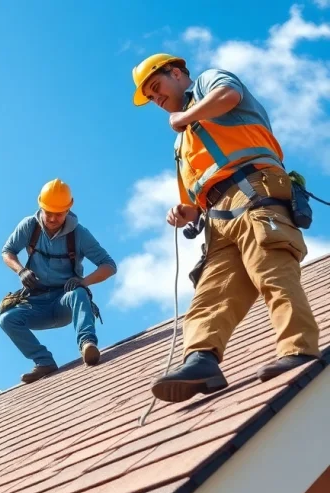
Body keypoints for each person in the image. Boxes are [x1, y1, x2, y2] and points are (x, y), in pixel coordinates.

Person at [131, 53, 321, 403]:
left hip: (254, 189)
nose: (156, 99)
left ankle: (300, 348)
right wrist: (184, 212)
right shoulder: (182, 141)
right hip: (218, 217)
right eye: (151, 96)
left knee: (271, 268)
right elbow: (193, 198)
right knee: (212, 291)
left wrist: (186, 116)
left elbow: (228, 96)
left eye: (157, 88)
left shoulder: (206, 84)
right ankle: (201, 360)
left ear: (177, 74)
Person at [0, 179, 118, 383]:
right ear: (41, 206)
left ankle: (87, 344)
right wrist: (21, 271)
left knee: (79, 294)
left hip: (64, 301)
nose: (53, 218)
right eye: (49, 212)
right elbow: (7, 252)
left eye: (59, 213)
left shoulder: (79, 234)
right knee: (7, 319)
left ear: (68, 210)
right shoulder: (29, 226)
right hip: (35, 304)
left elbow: (109, 265)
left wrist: (84, 281)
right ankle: (44, 362)